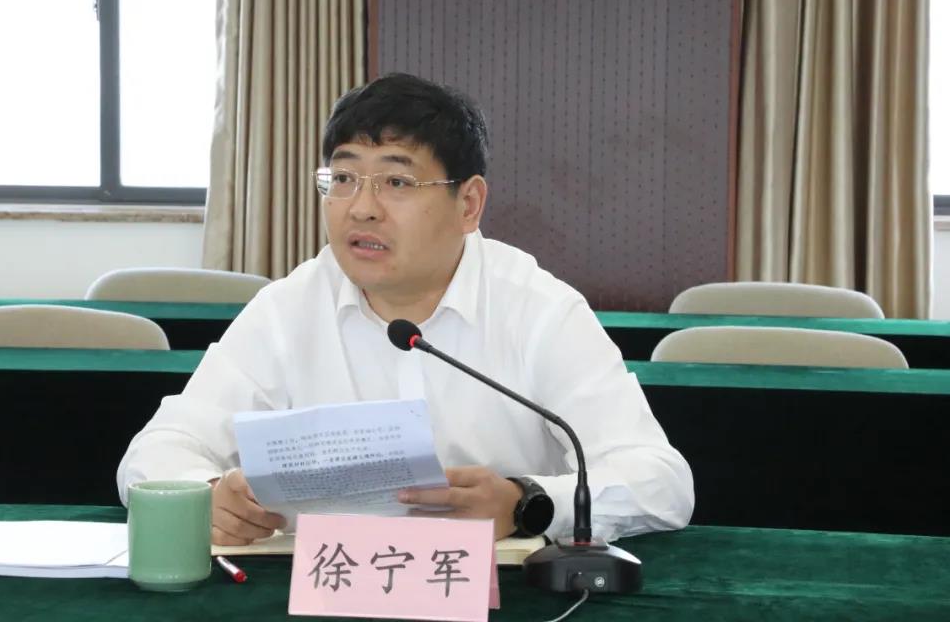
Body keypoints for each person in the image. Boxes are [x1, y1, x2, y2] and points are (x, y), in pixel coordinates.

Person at [117, 72, 694, 545]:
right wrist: (207, 495)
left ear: (468, 203)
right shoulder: (287, 310)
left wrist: (527, 502)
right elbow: (157, 450)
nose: (361, 208)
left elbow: (660, 480)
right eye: (344, 178)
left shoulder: (539, 311)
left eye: (396, 182)